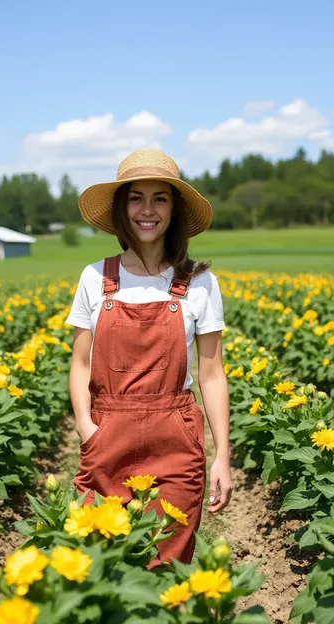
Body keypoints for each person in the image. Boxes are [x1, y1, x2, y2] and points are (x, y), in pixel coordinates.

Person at [65, 148, 232, 569]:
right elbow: (80, 363)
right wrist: (88, 429)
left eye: (161, 198)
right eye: (136, 197)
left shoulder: (199, 283)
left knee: (166, 563)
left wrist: (223, 456)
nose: (147, 209)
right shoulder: (95, 278)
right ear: (122, 208)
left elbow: (211, 374)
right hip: (107, 433)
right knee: (101, 564)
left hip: (174, 436)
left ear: (174, 211)